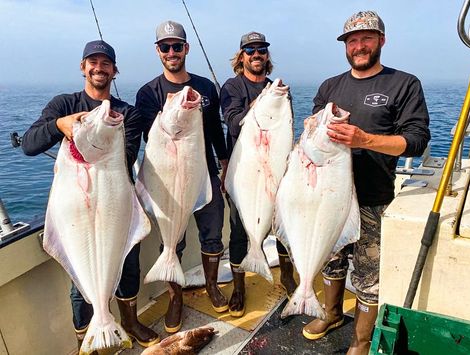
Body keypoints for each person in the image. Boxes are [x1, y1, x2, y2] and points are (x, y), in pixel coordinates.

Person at [301, 11, 431, 354]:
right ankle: (330, 314)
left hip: (372, 196)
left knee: (368, 274)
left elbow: (416, 140)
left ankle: (360, 341)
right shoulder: (330, 86)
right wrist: (310, 128)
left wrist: (364, 140)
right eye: (352, 41)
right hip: (327, 197)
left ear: (381, 41)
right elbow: (314, 125)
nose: (359, 46)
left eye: (366, 39)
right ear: (345, 46)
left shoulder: (404, 84)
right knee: (331, 257)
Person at [21, 40, 160, 351]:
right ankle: (86, 337)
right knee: (79, 279)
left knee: (129, 264)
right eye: (93, 62)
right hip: (77, 210)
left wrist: (99, 132)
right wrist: (60, 125)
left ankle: (130, 321)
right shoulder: (63, 105)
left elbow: (124, 159)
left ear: (114, 70)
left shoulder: (127, 113)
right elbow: (30, 144)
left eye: (106, 63)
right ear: (83, 67)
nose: (99, 68)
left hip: (115, 202)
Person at [135, 20, 229, 333]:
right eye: (165, 47)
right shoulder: (148, 93)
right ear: (158, 51)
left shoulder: (205, 86)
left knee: (213, 232)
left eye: (177, 46)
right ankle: (175, 297)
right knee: (173, 240)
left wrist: (225, 160)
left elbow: (215, 128)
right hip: (167, 177)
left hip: (204, 172)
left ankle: (212, 286)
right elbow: (152, 138)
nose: (172, 52)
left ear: (186, 48)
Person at [220, 31, 298, 318]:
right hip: (245, 175)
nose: (256, 55)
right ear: (241, 57)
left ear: (267, 56)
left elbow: (286, 131)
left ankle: (288, 277)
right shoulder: (232, 87)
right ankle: (239, 286)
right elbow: (233, 124)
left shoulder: (278, 91)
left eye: (261, 50)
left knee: (282, 228)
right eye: (250, 50)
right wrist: (260, 105)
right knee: (240, 232)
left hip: (275, 172)